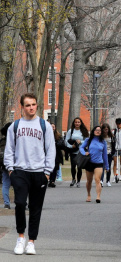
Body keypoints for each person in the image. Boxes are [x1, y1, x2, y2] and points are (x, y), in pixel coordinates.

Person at [4, 93, 56, 255]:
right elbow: (9, 149)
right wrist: (11, 169)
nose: (31, 108)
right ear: (22, 107)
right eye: (28, 105)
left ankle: (31, 241)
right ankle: (20, 238)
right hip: (19, 172)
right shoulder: (15, 126)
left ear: (37, 106)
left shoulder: (44, 125)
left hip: (39, 173)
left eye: (33, 104)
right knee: (19, 203)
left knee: (35, 208)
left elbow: (51, 149)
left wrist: (47, 172)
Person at [79, 126, 109, 203]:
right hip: (89, 162)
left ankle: (98, 196)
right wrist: (84, 153)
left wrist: (107, 166)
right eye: (96, 130)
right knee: (89, 181)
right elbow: (81, 147)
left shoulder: (103, 142)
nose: (98, 131)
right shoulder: (88, 140)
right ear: (93, 131)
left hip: (99, 163)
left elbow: (105, 155)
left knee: (97, 179)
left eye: (99, 130)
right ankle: (89, 195)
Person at [65, 117, 88, 187]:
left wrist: (81, 141)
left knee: (79, 167)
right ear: (74, 123)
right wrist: (71, 146)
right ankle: (73, 179)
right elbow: (66, 141)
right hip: (73, 151)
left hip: (80, 151)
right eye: (76, 122)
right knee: (73, 166)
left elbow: (87, 141)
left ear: (81, 123)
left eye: (78, 122)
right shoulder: (71, 131)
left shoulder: (83, 131)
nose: (77, 123)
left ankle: (78, 181)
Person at [48, 123, 64, 188]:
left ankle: (52, 181)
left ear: (55, 128)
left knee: (55, 168)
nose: (52, 128)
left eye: (53, 127)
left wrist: (55, 143)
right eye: (51, 127)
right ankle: (49, 179)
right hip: (48, 154)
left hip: (56, 154)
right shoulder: (46, 135)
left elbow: (62, 144)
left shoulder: (58, 136)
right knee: (49, 167)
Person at [0, 122, 12, 209]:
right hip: (16, 166)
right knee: (20, 185)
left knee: (5, 184)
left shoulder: (2, 141)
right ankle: (23, 202)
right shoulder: (17, 140)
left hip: (4, 166)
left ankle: (7, 203)